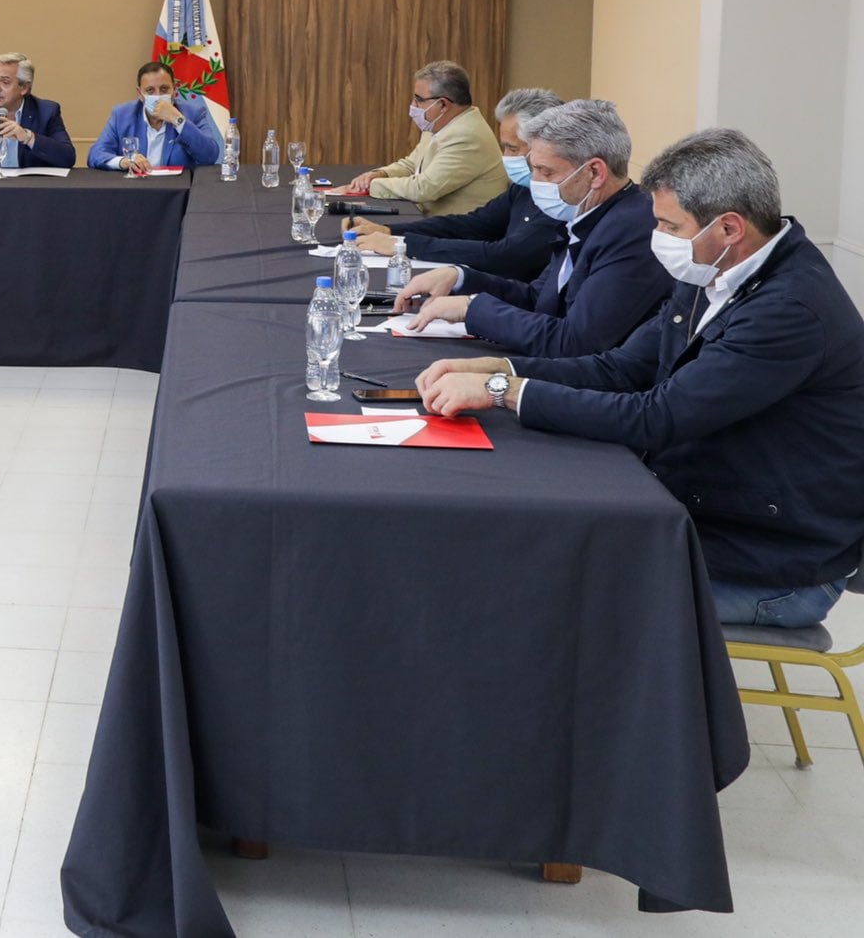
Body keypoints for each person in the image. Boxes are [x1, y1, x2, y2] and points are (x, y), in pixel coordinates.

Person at [417, 129, 864, 627]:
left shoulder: (790, 310)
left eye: (670, 226)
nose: (659, 239)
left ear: (730, 229)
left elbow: (658, 416)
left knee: (538, 582)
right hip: (711, 510)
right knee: (531, 530)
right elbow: (622, 368)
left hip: (771, 561)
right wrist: (503, 368)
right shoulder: (712, 271)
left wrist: (504, 392)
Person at [390, 99, 671, 357]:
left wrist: (471, 309)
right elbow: (539, 300)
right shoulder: (587, 215)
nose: (535, 181)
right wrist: (460, 277)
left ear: (594, 172)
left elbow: (575, 342)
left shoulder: (631, 229)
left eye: (546, 172)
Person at [348, 87, 567, 280]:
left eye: (512, 148)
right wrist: (390, 231)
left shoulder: (561, 199)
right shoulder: (524, 188)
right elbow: (472, 225)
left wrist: (404, 245)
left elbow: (506, 256)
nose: (506, 157)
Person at [339, 60, 507, 216]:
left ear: (443, 105)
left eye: (419, 100)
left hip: (462, 234)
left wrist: (371, 186)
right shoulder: (438, 124)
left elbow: (423, 188)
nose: (413, 106)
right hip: (431, 220)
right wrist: (381, 174)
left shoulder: (467, 136)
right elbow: (412, 165)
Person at [88, 61, 223, 172]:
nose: (158, 96)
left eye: (164, 89)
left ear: (174, 90)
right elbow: (95, 155)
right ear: (140, 94)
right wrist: (124, 161)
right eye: (150, 91)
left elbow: (210, 156)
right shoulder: (122, 115)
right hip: (134, 192)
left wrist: (179, 120)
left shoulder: (193, 113)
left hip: (179, 195)